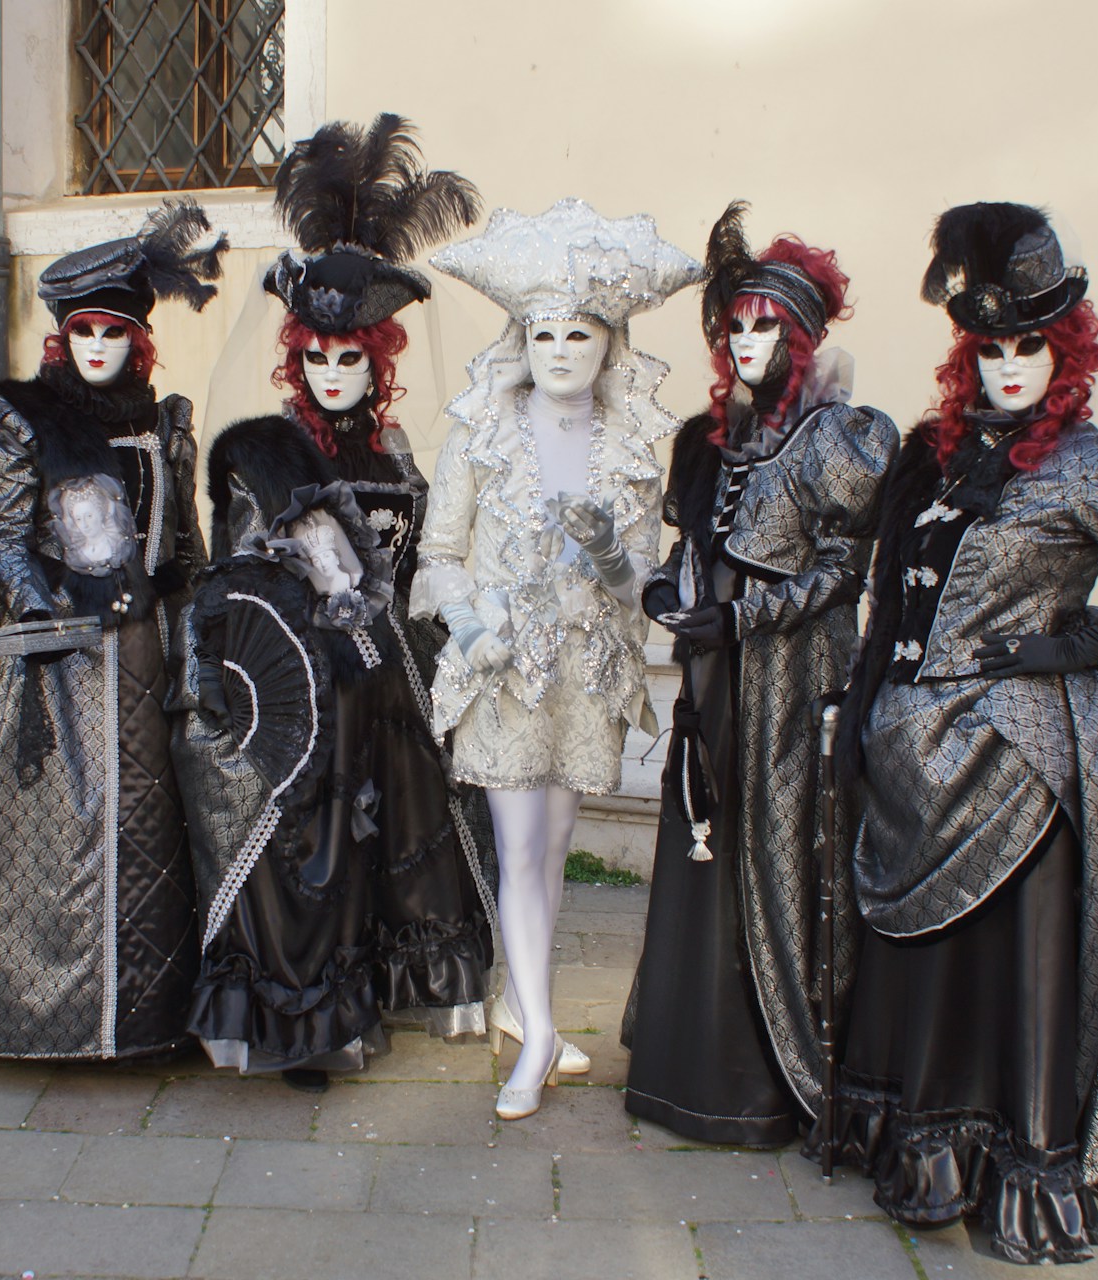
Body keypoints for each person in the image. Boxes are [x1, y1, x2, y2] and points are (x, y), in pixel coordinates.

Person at [830, 203, 1098, 1264]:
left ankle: (1013, 1160)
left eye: (1031, 348)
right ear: (968, 354)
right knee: (932, 964)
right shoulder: (937, 457)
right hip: (912, 753)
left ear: (1066, 354)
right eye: (992, 348)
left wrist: (1087, 638)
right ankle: (921, 1144)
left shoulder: (1094, 467)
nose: (1010, 367)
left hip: (1015, 764)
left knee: (1009, 966)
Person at [173, 115, 491, 1091]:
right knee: (313, 844)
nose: (334, 375)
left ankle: (380, 989)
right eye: (319, 357)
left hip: (390, 678)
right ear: (297, 358)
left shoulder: (392, 451)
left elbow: (422, 552)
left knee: (403, 828)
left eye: (352, 359)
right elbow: (241, 581)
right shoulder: (270, 453)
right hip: (309, 690)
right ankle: (311, 1018)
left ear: (377, 359)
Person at [417, 198, 702, 1119]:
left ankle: (520, 1004)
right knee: (517, 845)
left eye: (580, 333)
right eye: (543, 333)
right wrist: (473, 630)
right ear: (521, 341)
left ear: (610, 344)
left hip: (587, 674)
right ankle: (538, 1034)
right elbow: (440, 552)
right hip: (504, 671)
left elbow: (638, 577)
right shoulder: (481, 432)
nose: (561, 351)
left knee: (552, 847)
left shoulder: (631, 447)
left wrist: (610, 551)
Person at [623, 205, 897, 1145]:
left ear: (802, 337)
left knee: (776, 852)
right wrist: (666, 587)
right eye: (734, 327)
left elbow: (843, 573)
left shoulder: (842, 439)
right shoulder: (706, 442)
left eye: (765, 326)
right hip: (713, 681)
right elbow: (690, 548)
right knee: (703, 839)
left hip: (790, 683)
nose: (745, 343)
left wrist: (742, 617)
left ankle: (767, 1082)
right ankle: (685, 1068)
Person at [0, 202, 224, 1061]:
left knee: (160, 833)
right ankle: (49, 1021)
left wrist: (206, 622)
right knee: (59, 842)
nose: (98, 346)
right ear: (63, 338)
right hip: (59, 660)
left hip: (152, 653)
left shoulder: (164, 422)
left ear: (139, 340)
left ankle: (152, 1021)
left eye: (114, 332)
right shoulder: (23, 419)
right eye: (84, 332)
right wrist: (40, 604)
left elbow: (184, 544)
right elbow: (4, 538)